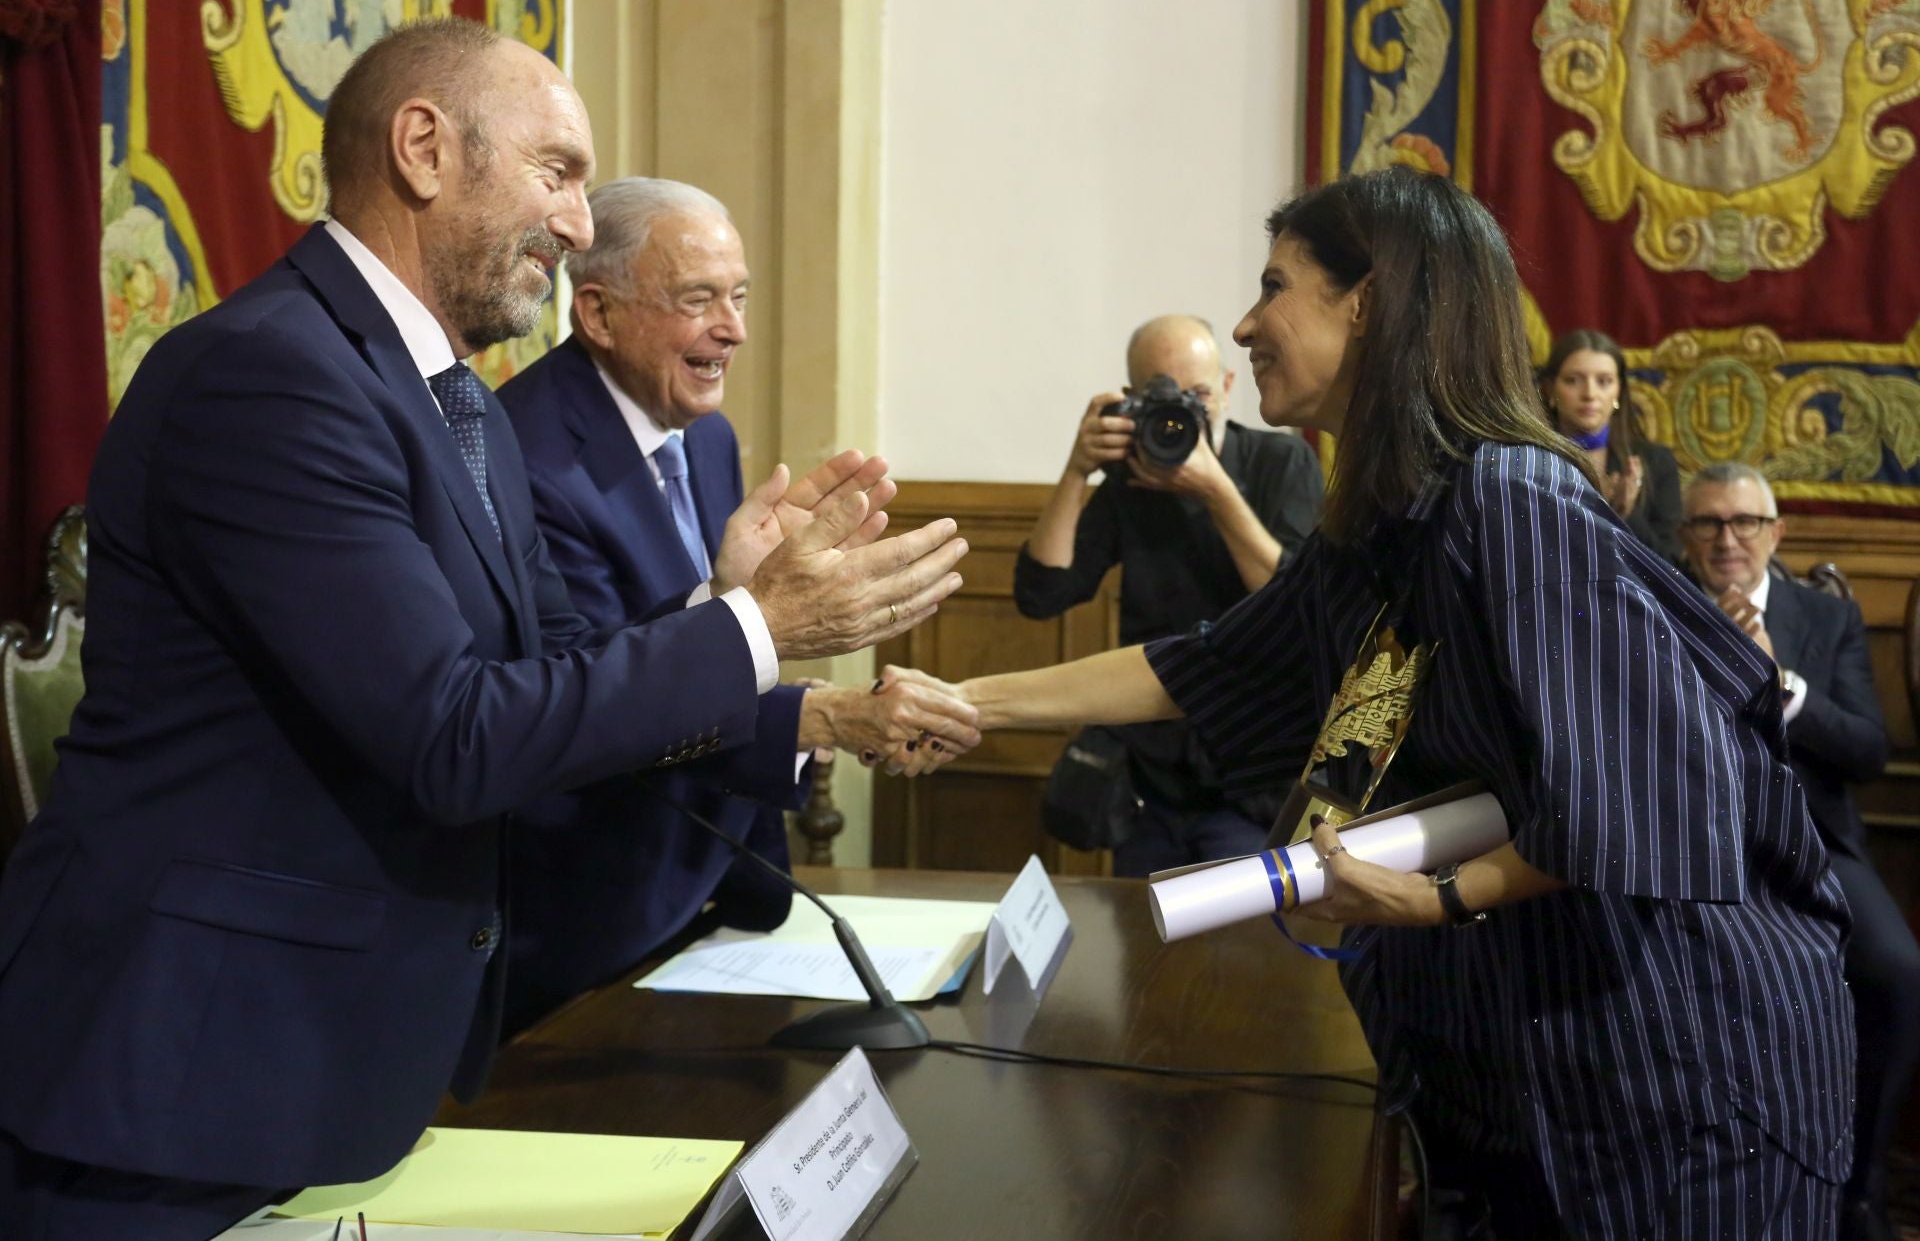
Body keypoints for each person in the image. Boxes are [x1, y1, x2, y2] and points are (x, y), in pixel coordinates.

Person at [0, 19, 974, 1239]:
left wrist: (730, 625)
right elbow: (454, 732)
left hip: (338, 1053)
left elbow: (554, 679)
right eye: (558, 172)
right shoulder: (272, 378)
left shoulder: (455, 400)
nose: (577, 226)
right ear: (422, 148)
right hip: (183, 1080)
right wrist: (756, 626)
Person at [913, 168, 1855, 1236]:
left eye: (1275, 285)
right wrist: (960, 699)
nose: (1246, 322)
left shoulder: (1514, 498)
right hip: (1513, 1060)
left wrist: (1435, 898)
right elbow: (1206, 664)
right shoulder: (1387, 522)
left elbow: (1653, 790)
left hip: (1666, 1077)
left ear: (1372, 300)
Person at [496, 178, 961, 1032]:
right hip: (585, 918)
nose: (734, 329)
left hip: (709, 893)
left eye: (739, 297)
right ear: (596, 315)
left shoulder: (703, 433)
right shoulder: (524, 457)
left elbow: (708, 636)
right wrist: (824, 713)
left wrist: (752, 599)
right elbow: (590, 693)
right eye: (698, 299)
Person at [1681, 461, 1913, 1241]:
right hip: (1699, 841)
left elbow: (1867, 751)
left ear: (1776, 532)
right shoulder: (1658, 606)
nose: (1727, 539)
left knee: (1901, 972)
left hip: (1816, 841)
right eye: (1709, 523)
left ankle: (1862, 1186)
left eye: (1744, 521)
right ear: (1685, 537)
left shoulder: (1826, 616)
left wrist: (1782, 683)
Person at [1014, 315, 1322, 874]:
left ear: (1227, 388)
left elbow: (1295, 607)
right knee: (1146, 944)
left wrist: (1215, 490)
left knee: (1237, 945)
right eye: (1163, 397)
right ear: (1133, 400)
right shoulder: (1131, 479)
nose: (1183, 412)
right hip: (1149, 780)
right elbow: (1043, 593)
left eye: (1197, 394)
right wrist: (1077, 471)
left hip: (1250, 776)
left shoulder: (1282, 461)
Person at [1539, 328, 1684, 562]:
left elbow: (1671, 564)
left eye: (1604, 381)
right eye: (1573, 380)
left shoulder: (1656, 462)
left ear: (1619, 391)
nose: (1590, 394)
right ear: (1549, 389)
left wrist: (1627, 515)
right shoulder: (1530, 460)